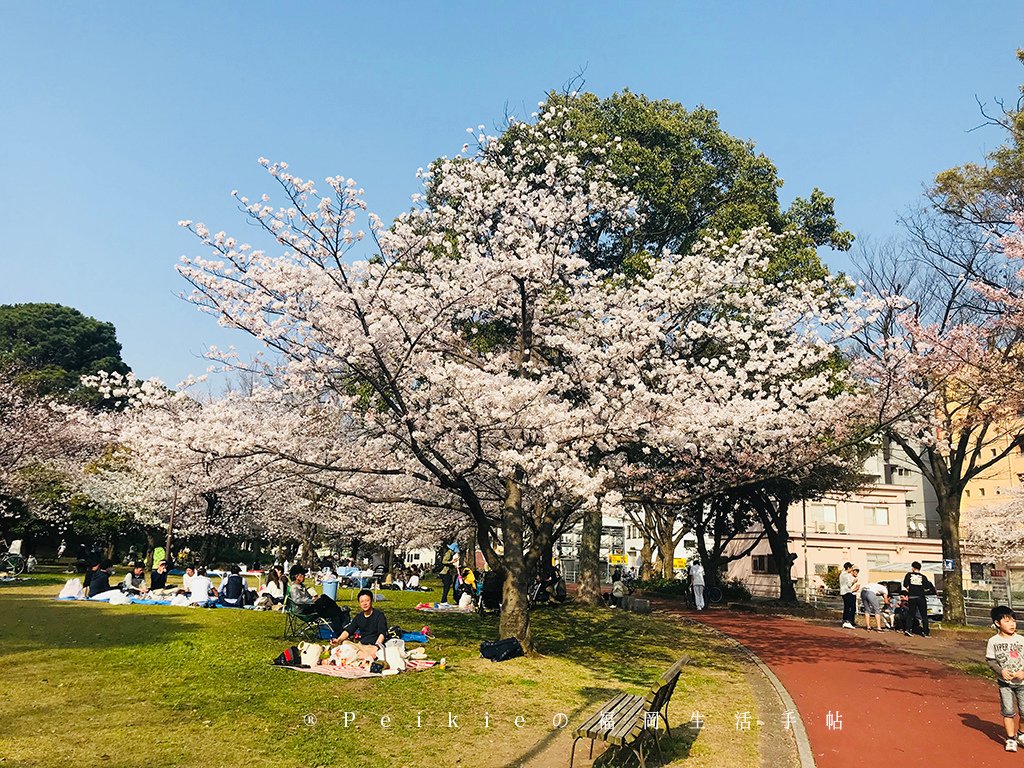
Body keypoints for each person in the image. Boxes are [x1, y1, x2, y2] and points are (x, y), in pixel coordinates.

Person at [986, 606, 1024, 752]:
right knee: (1008, 710)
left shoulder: (1021, 640)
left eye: (1014, 621)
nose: (1012, 624)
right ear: (997, 623)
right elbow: (990, 660)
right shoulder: (993, 641)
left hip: (1022, 682)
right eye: (1007, 621)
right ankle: (1011, 738)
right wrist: (1001, 671)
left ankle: (1021, 734)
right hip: (1005, 684)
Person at [288, 564, 350, 636]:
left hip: (308, 606)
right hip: (303, 610)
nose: (304, 577)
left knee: (330, 610)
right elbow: (297, 600)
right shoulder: (294, 587)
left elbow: (307, 597)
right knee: (326, 602)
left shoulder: (301, 586)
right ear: (297, 576)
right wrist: (312, 601)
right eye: (303, 575)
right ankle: (340, 619)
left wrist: (314, 598)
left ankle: (340, 630)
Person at [902, 561, 937, 637]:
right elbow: (928, 586)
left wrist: (910, 588)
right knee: (924, 615)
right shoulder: (923, 577)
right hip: (921, 597)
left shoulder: (909, 575)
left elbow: (905, 584)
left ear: (913, 568)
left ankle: (908, 630)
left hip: (912, 597)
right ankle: (926, 632)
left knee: (911, 614)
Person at [839, 562, 858, 629]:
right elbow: (849, 584)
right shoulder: (846, 575)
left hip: (843, 592)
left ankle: (845, 621)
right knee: (851, 607)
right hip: (847, 592)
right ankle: (848, 621)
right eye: (851, 568)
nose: (852, 569)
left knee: (846, 607)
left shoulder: (841, 574)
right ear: (848, 568)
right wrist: (854, 581)